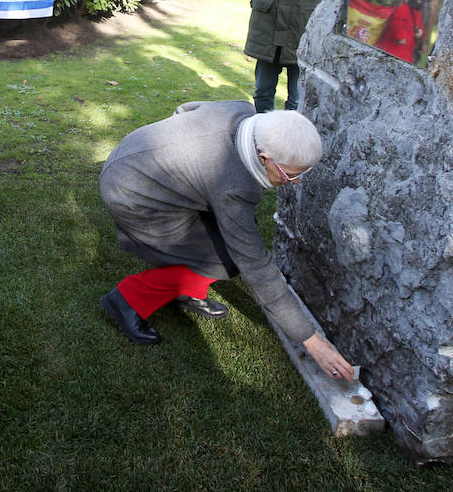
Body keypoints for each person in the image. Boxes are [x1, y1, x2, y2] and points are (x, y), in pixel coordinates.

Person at [98, 101, 356, 382]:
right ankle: (126, 299)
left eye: (300, 174)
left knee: (219, 245)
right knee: (225, 259)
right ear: (265, 156)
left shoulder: (243, 112)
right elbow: (255, 266)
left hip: (131, 154)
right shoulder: (232, 186)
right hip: (133, 194)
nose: (295, 182)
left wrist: (183, 165)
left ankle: (185, 291)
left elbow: (186, 109)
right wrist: (311, 340)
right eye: (290, 174)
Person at [374, 0, 429, 64]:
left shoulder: (416, 12)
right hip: (395, 51)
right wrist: (401, 37)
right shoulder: (403, 9)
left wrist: (421, 33)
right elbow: (396, 25)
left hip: (403, 53)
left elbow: (420, 27)